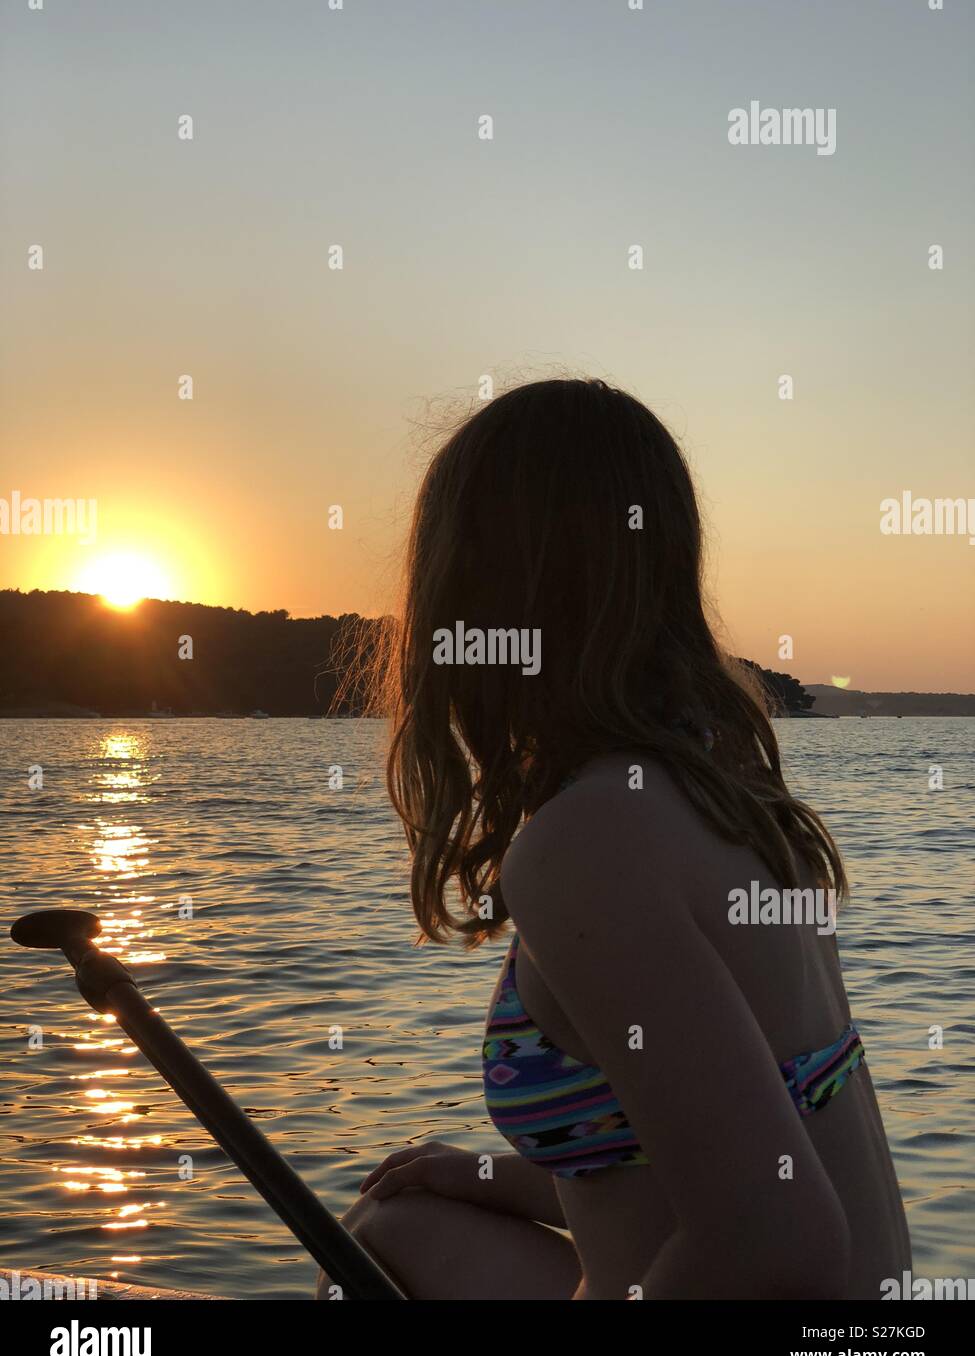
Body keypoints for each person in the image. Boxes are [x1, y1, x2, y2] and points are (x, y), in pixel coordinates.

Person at [318, 378, 911, 1300]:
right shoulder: (730, 797)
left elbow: (777, 1241)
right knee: (392, 1230)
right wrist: (480, 1176)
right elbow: (708, 1173)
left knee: (362, 1259)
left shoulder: (585, 845)